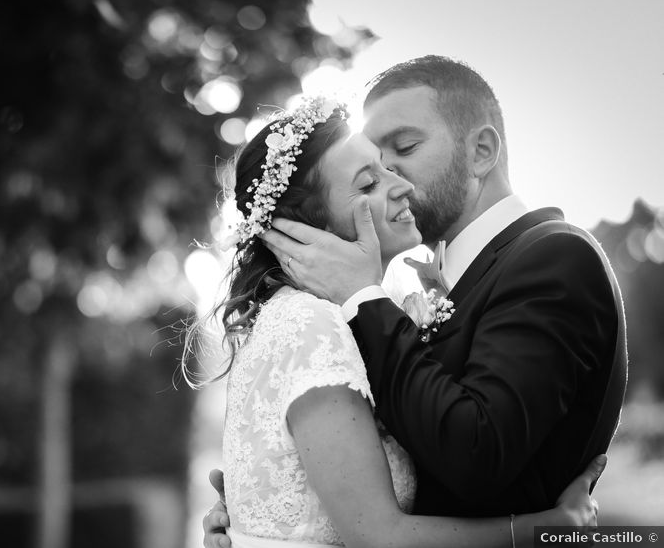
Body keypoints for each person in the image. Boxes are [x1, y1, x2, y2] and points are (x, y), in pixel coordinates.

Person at [203, 57, 627, 547]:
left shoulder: (553, 257)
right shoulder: (358, 308)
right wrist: (264, 505)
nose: (393, 176)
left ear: (482, 151)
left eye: (403, 148)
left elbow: (475, 451)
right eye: (374, 169)